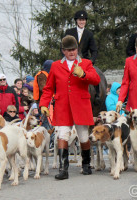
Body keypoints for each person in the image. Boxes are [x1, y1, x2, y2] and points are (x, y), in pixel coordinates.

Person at [39, 35, 100, 180]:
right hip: (62, 105)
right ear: (63, 51)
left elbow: (96, 79)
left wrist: (84, 74)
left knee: (84, 136)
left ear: (77, 49)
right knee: (62, 135)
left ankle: (86, 164)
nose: (72, 52)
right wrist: (43, 104)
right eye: (68, 50)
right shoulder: (55, 65)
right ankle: (63, 169)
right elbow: (48, 88)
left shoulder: (85, 63)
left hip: (81, 104)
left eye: (73, 49)